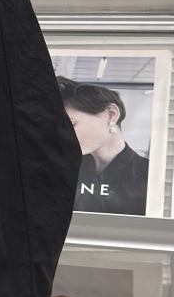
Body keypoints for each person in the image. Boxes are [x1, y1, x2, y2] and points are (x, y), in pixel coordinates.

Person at [58, 77, 149, 215]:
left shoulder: (151, 175)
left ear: (111, 114)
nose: (65, 135)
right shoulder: (62, 170)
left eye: (72, 123)